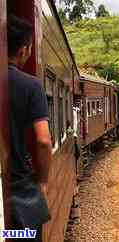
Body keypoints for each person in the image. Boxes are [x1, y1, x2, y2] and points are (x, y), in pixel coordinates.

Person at [8, 15, 52, 241]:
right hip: (19, 189)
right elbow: (43, 141)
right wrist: (43, 181)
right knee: (22, 235)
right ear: (24, 50)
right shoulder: (31, 85)